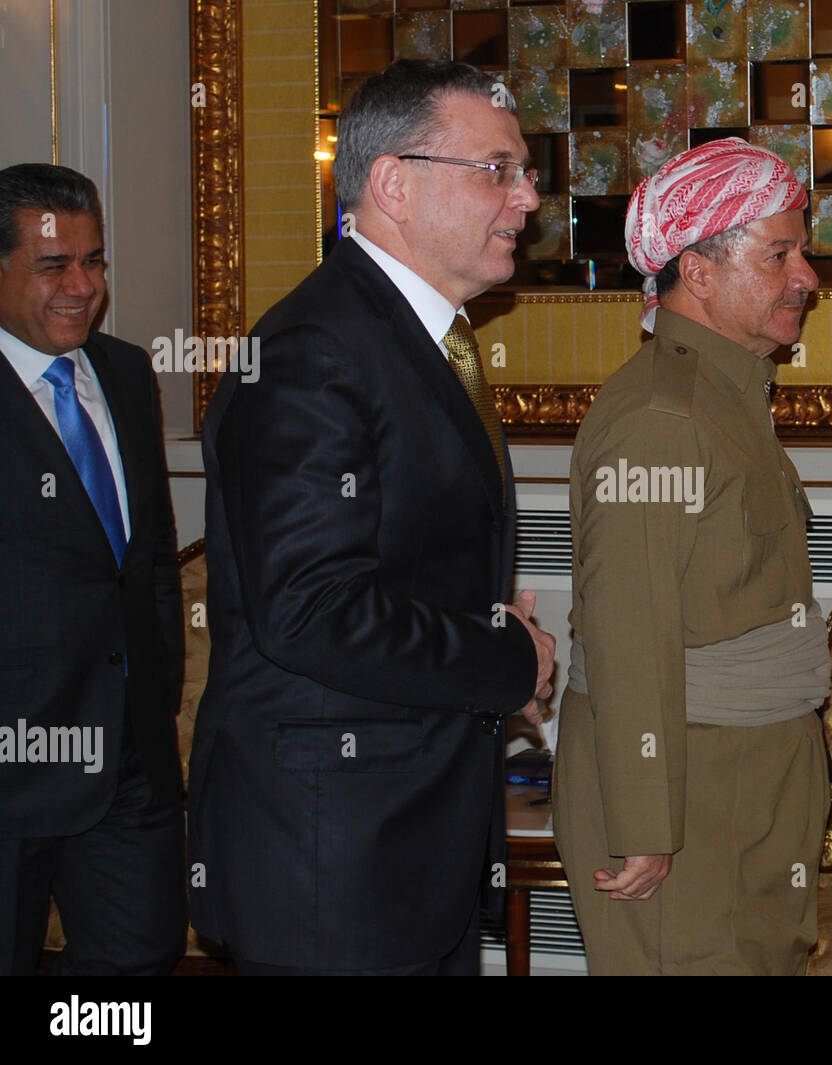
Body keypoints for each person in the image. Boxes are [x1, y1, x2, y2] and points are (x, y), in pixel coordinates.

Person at [190, 59, 556, 975]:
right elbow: (311, 610)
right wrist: (508, 655)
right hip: (333, 863)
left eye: (526, 171)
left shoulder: (411, 336)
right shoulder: (316, 351)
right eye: (499, 169)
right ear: (393, 183)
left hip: (400, 842)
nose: (529, 198)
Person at [553, 138, 831, 975]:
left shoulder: (728, 396)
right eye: (779, 253)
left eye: (802, 251)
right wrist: (644, 825)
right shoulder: (662, 418)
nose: (807, 276)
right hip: (688, 790)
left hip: (748, 776)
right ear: (699, 272)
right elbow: (626, 628)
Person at [0, 163, 187, 975]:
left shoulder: (123, 372)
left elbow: (147, 561)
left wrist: (157, 703)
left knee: (133, 972)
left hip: (127, 762)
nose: (82, 286)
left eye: (95, 261)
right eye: (53, 265)